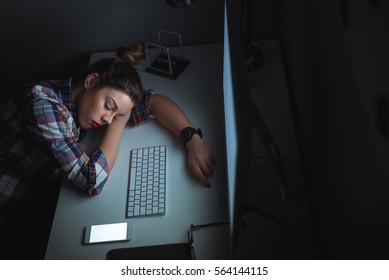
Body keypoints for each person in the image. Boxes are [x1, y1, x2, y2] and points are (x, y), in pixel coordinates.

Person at [0, 41, 216, 259]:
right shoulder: (42, 106)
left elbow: (155, 102)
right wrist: (118, 125)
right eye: (109, 107)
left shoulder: (81, 97)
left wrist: (192, 139)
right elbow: (90, 180)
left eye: (115, 115)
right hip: (10, 200)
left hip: (40, 187)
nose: (107, 119)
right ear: (91, 81)